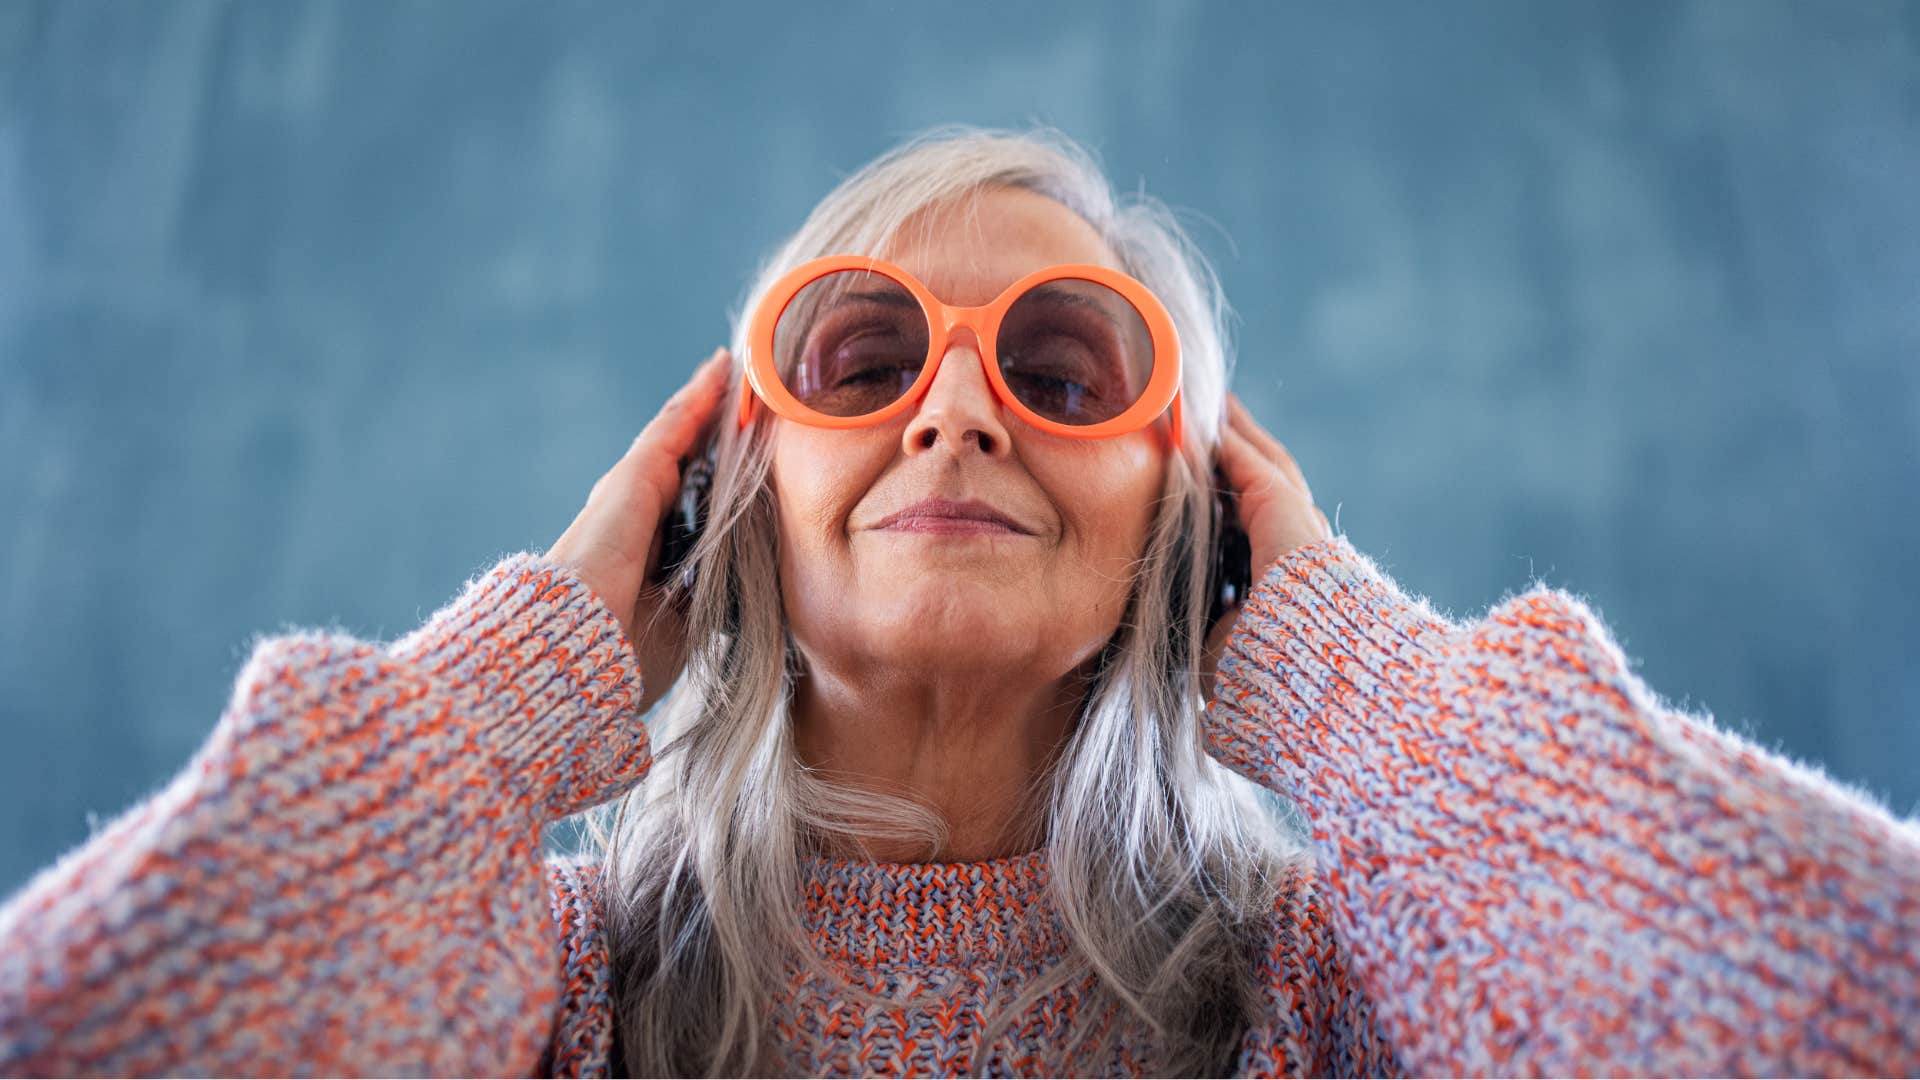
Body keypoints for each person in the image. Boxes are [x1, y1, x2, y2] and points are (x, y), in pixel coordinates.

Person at [1, 125, 1915, 1079]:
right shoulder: (549, 997)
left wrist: (1367, 688)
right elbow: (82, 1029)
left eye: (1069, 369)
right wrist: (525, 681)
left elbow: (1852, 1009)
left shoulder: (1335, 1000)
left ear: (1187, 530)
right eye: (861, 357)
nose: (960, 404)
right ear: (722, 498)